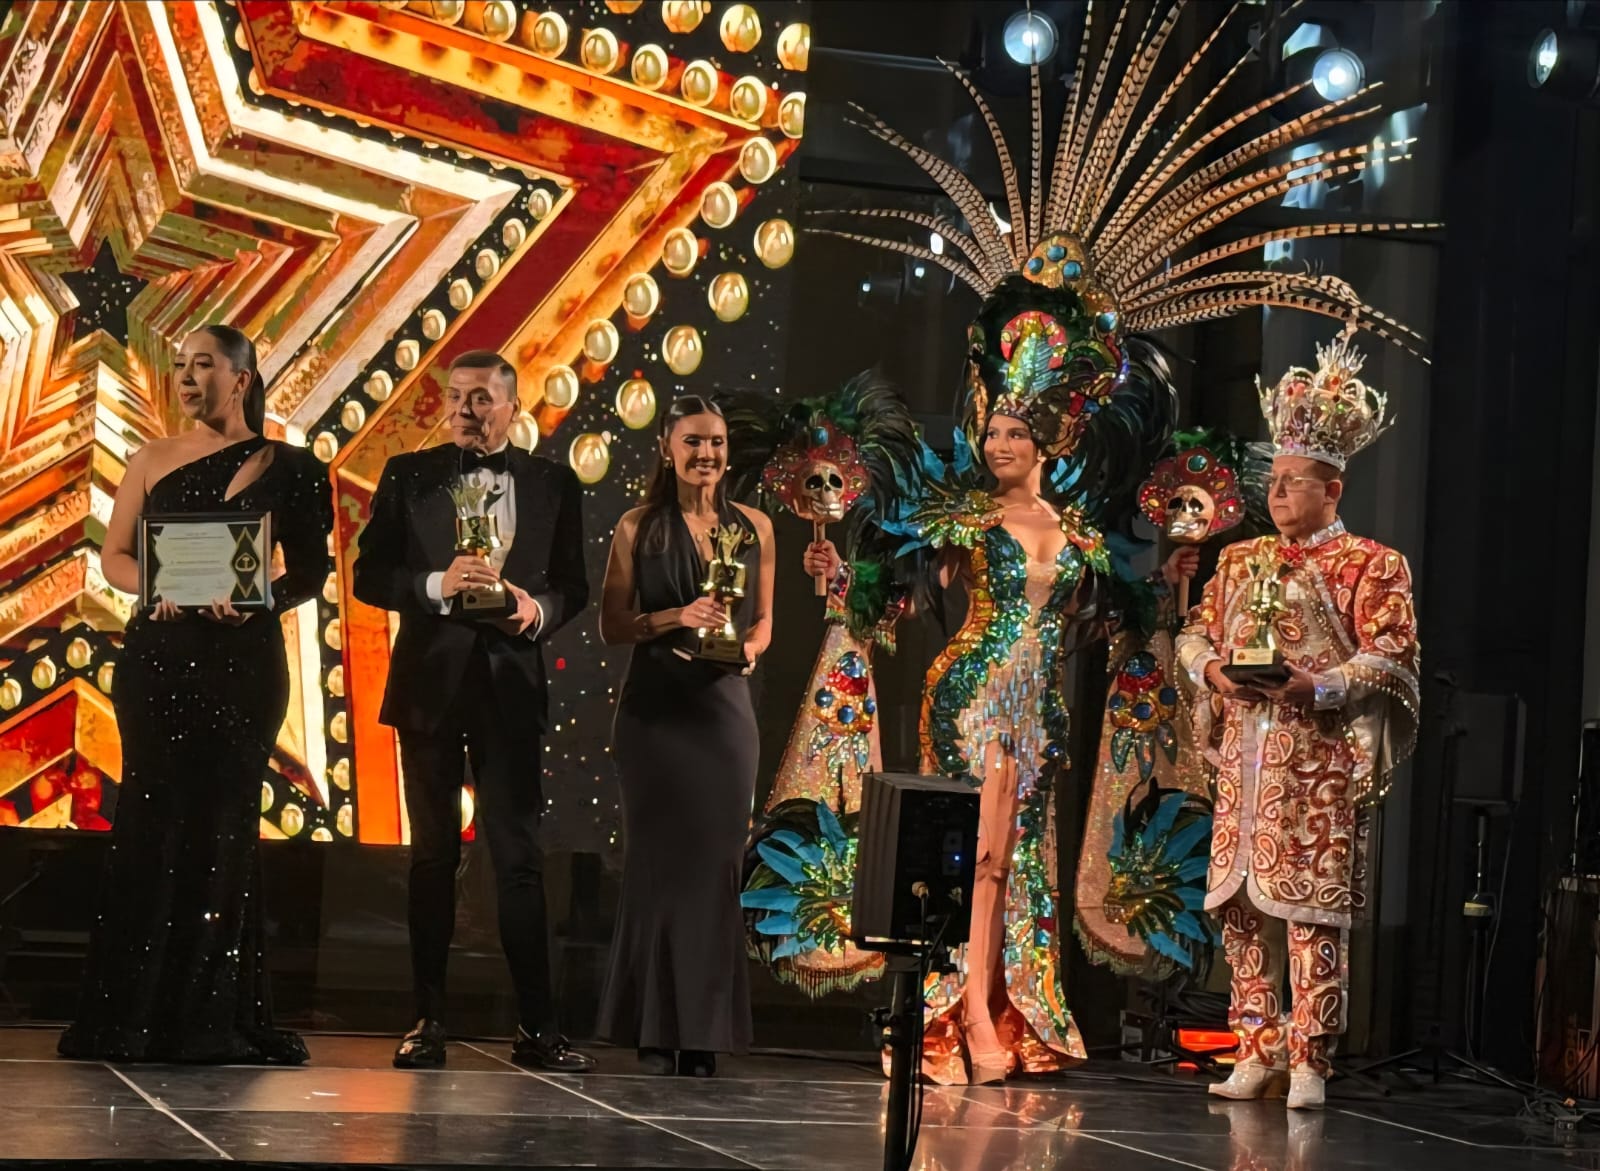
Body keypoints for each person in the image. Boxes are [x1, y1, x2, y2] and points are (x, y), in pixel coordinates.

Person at [59, 325, 331, 1064]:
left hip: (244, 667)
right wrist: (158, 587)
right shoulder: (150, 458)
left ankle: (207, 1016)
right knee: (152, 821)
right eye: (180, 364)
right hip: (160, 664)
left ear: (241, 378)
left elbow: (309, 572)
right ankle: (132, 1014)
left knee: (224, 828)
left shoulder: (295, 468)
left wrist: (256, 600)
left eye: (201, 364)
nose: (184, 376)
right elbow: (116, 556)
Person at [1177, 336, 1420, 1110]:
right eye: (1274, 481)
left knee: (1312, 916)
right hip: (1245, 759)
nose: (1278, 493)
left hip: (1317, 761)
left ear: (1332, 488)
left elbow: (1391, 654)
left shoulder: (1372, 564)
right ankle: (1254, 1045)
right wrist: (1212, 672)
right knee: (1241, 911)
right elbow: (1194, 636)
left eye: (1293, 482)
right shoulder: (1238, 561)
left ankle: (1311, 1056)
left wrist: (1321, 684)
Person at [353, 349, 592, 1073]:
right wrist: (435, 583)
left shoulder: (554, 482)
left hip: (510, 689)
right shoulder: (409, 474)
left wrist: (535, 610)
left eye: (481, 397)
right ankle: (426, 1021)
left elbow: (573, 586)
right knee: (432, 858)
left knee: (517, 860)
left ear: (513, 408)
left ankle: (539, 1029)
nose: (464, 409)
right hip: (429, 687)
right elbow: (369, 574)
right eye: (456, 396)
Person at [596, 394, 774, 1077]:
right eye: (693, 441)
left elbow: (764, 621)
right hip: (655, 715)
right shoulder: (637, 525)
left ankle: (702, 1031)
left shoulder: (755, 526)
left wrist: (748, 648)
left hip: (723, 714)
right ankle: (651, 1028)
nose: (707, 454)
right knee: (658, 867)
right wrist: (678, 615)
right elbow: (614, 624)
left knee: (716, 869)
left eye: (717, 442)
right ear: (668, 449)